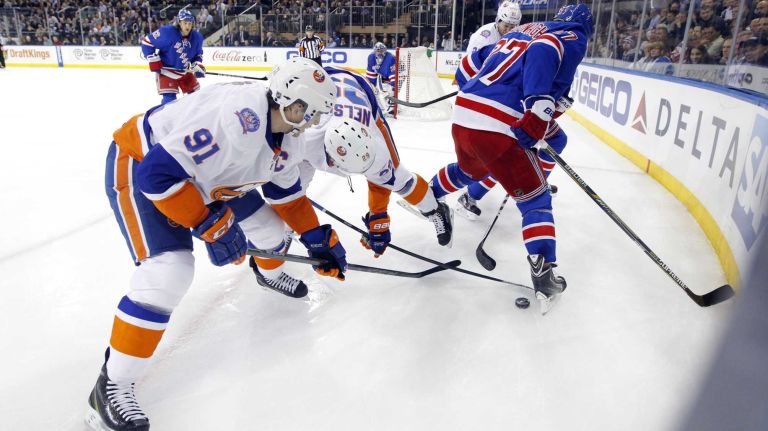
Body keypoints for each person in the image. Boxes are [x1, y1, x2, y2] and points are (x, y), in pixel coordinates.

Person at [85, 58, 346, 431]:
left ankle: (269, 275)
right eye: (310, 111)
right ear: (291, 101)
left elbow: (286, 196)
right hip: (142, 163)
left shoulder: (288, 134)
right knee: (169, 272)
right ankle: (111, 385)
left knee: (272, 232)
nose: (313, 121)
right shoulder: (235, 119)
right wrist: (208, 223)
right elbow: (157, 175)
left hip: (202, 175)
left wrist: (316, 239)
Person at [429, 4, 593, 312]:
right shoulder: (573, 35)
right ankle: (544, 277)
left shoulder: (522, 30)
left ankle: (429, 197)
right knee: (536, 200)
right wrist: (537, 113)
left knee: (471, 169)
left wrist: (481, 93)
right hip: (501, 120)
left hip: (465, 113)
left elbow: (469, 65)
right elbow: (546, 49)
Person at [272, 67, 453, 255]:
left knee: (399, 178)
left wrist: (378, 222)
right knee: (291, 189)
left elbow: (382, 181)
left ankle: (435, 209)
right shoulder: (302, 136)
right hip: (327, 89)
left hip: (361, 93)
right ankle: (284, 230)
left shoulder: (376, 148)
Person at [452, 0, 528, 218]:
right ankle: (463, 192)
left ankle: (472, 191)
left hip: (498, 102)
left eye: (513, 26)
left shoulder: (517, 36)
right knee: (485, 155)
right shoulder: (483, 37)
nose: (509, 29)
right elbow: (470, 70)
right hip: (477, 100)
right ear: (498, 20)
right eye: (506, 25)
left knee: (496, 154)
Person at [140, 9, 205, 105]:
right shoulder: (167, 32)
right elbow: (147, 42)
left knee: (196, 98)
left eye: (190, 23)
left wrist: (197, 65)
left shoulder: (197, 37)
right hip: (167, 72)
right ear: (179, 22)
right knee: (169, 103)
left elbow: (198, 55)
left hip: (185, 72)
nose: (187, 26)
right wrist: (153, 59)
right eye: (185, 23)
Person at [365, 42, 397, 114]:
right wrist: (371, 85)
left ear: (385, 51)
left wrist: (393, 86)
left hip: (398, 74)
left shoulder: (391, 58)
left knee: (391, 90)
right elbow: (371, 74)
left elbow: (393, 74)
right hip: (382, 75)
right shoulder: (371, 58)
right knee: (378, 91)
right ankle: (384, 107)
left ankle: (393, 105)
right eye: (377, 51)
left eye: (381, 51)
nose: (379, 53)